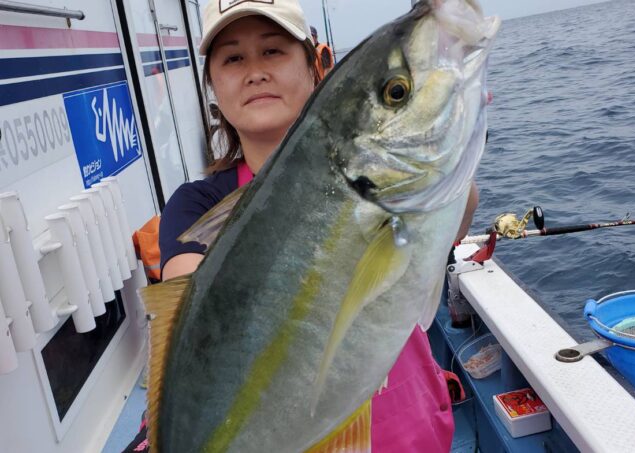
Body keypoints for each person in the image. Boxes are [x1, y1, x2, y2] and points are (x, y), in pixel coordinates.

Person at [126, 1, 480, 451]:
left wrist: (455, 133)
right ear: (212, 85)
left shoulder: (386, 182)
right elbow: (196, 329)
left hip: (411, 435)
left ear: (316, 67)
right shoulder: (197, 206)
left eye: (272, 50)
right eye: (233, 58)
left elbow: (448, 222)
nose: (255, 72)